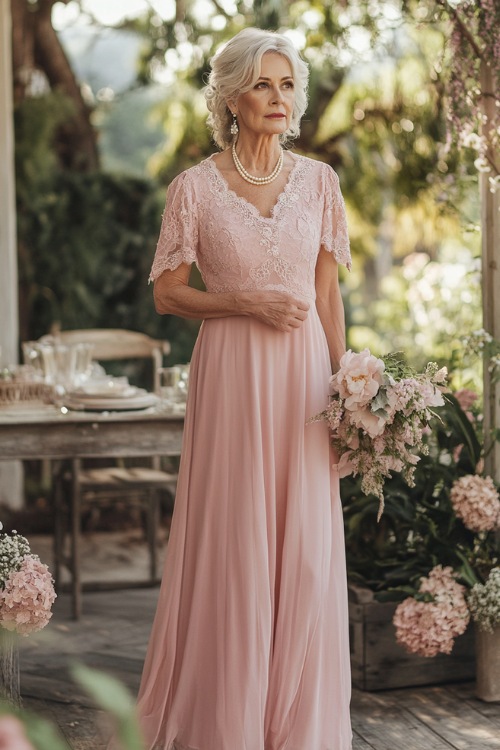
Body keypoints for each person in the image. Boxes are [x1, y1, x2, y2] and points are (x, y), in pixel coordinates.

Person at [137, 27, 352, 750]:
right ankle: (224, 724)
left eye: (287, 85)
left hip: (303, 381)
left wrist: (346, 386)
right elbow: (168, 295)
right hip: (231, 376)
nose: (279, 98)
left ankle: (295, 726)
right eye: (263, 84)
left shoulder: (320, 182)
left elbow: (326, 297)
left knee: (305, 550)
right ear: (231, 97)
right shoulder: (193, 189)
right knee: (235, 539)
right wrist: (246, 302)